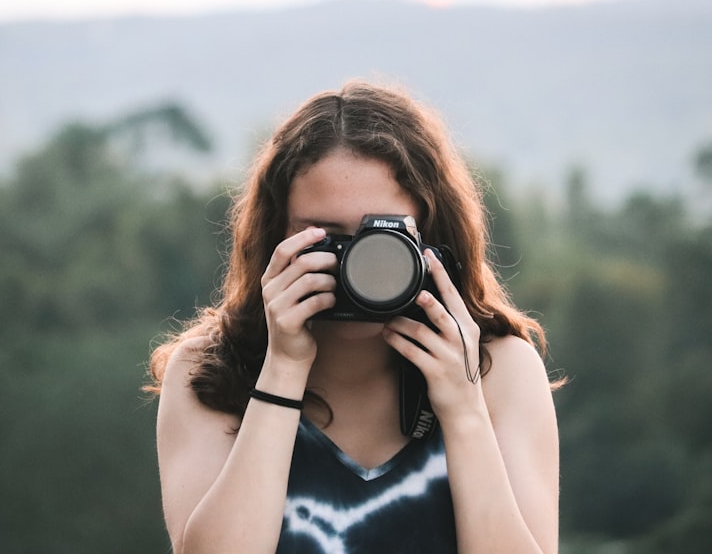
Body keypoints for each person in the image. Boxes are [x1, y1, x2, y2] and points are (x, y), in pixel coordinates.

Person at [146, 80, 560, 553]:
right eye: (325, 236)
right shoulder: (208, 372)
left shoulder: (499, 370)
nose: (356, 265)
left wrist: (464, 411)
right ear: (275, 234)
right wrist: (282, 368)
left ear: (430, 238)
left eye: (380, 237)